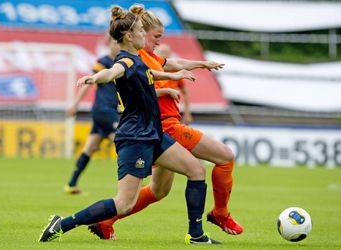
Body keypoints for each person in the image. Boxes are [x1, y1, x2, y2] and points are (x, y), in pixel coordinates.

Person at [38, 5, 220, 244]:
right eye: (141, 32)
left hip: (153, 134)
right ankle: (62, 224)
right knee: (124, 204)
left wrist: (175, 77)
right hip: (136, 138)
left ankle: (196, 235)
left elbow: (150, 75)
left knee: (197, 170)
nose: (145, 35)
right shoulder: (124, 61)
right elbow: (112, 72)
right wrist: (95, 78)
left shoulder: (137, 59)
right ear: (128, 36)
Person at [90, 5, 243, 241]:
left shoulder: (149, 56)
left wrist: (201, 64)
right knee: (224, 156)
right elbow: (142, 87)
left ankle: (105, 221)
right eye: (156, 37)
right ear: (141, 32)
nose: (159, 41)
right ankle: (219, 214)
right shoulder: (136, 56)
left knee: (158, 191)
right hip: (165, 126)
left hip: (155, 130)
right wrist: (167, 90)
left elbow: (170, 63)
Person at [64, 37, 120, 194]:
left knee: (90, 147)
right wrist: (75, 104)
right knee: (123, 142)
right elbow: (89, 82)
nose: (117, 45)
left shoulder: (120, 63)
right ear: (109, 43)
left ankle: (71, 184)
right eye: (115, 42)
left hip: (108, 110)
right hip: (104, 110)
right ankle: (129, 184)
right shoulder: (103, 61)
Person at [155, 43, 193, 125]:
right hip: (154, 112)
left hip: (169, 113)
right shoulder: (152, 70)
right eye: (162, 53)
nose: (164, 56)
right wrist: (167, 91)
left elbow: (185, 92)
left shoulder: (176, 72)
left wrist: (187, 113)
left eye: (167, 54)